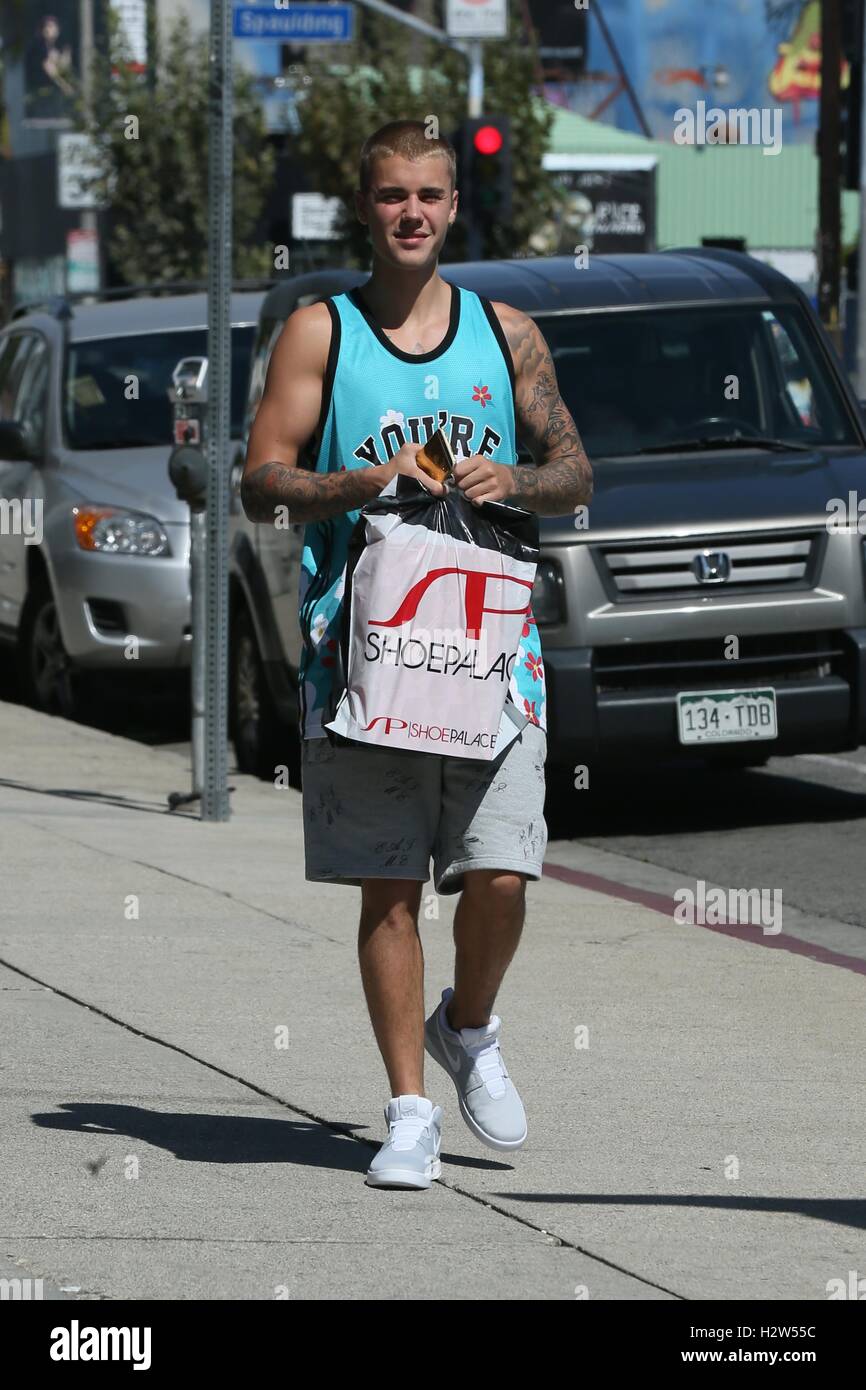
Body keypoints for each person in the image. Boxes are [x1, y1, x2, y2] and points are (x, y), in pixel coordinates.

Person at [242, 120, 593, 1189]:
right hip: (362, 653)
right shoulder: (320, 332)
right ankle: (407, 1114)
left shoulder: (507, 333)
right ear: (367, 205)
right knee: (387, 889)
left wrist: (514, 483)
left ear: (451, 207)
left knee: (500, 874)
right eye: (392, 195)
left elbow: (574, 469)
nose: (411, 213)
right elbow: (261, 476)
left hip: (493, 654)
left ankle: (468, 1027)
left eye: (429, 196)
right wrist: (354, 483)